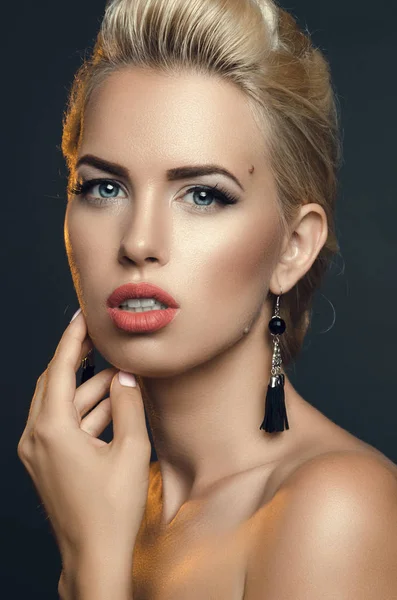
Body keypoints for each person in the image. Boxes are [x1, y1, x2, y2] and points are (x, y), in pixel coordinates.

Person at [18, 0, 397, 598]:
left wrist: (93, 567)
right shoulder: (104, 496)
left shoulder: (335, 509)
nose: (138, 242)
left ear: (292, 248)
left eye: (202, 195)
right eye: (105, 187)